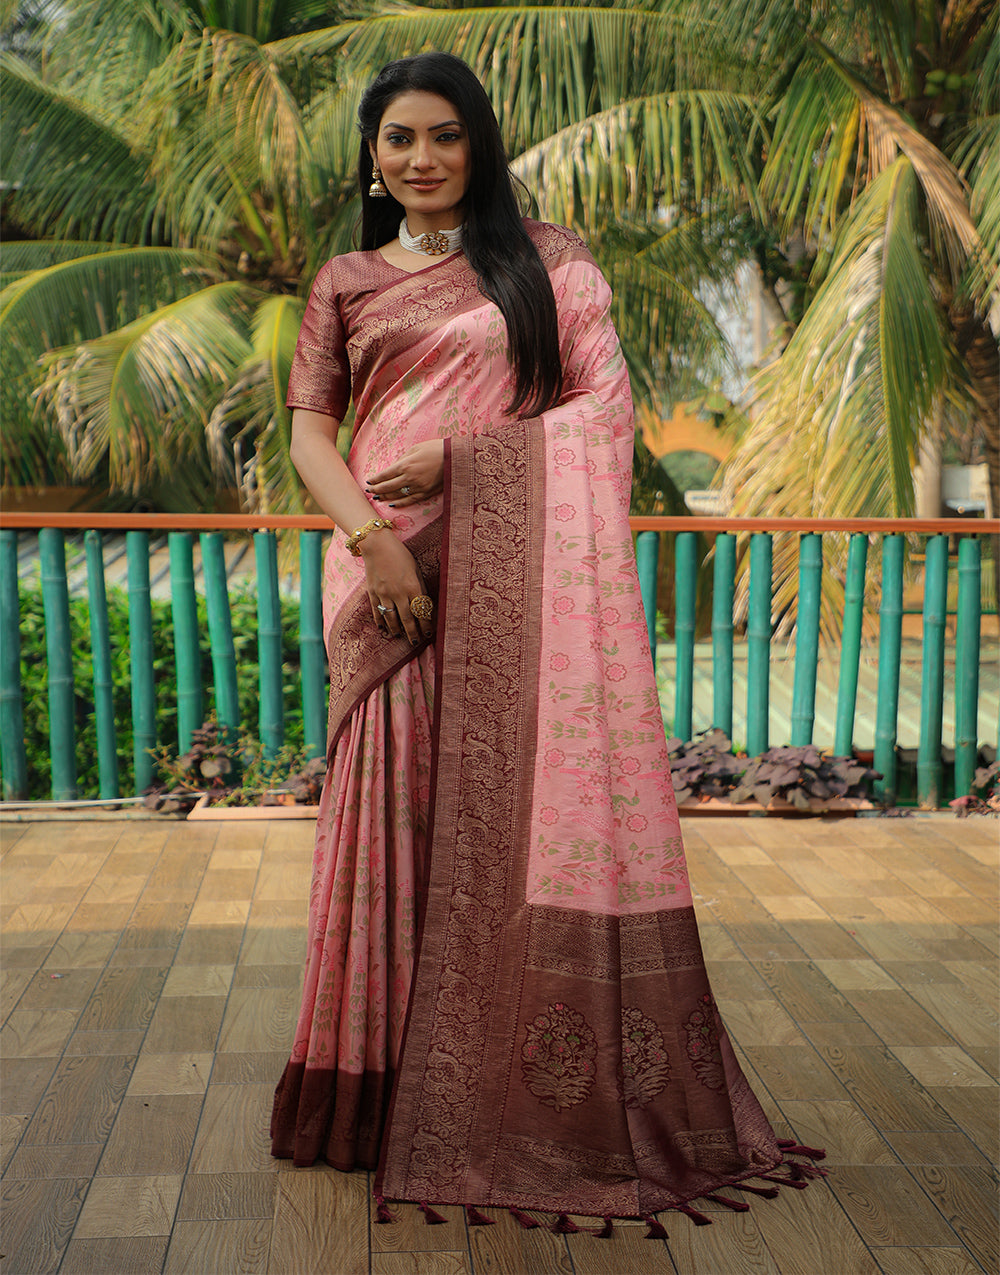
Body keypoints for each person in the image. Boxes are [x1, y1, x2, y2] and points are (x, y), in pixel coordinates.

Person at [270, 50, 823, 1229]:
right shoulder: (346, 280)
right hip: (384, 570)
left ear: (480, 144)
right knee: (392, 823)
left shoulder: (551, 263)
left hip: (518, 576)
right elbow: (313, 433)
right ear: (370, 156)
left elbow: (603, 416)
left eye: (443, 137)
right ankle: (364, 1091)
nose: (420, 160)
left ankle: (490, 1089)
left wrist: (470, 465)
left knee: (507, 824)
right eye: (398, 140)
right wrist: (372, 541)